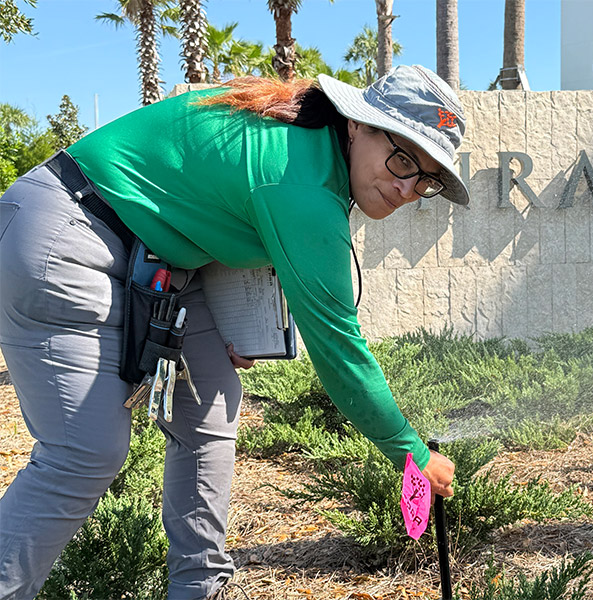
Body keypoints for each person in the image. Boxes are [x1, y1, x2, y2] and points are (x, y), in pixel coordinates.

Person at [0, 64, 469, 599]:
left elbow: (206, 203)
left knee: (212, 405)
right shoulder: (302, 183)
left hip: (157, 261)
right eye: (402, 158)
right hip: (69, 231)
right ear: (358, 125)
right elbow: (339, 350)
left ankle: (199, 590)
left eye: (426, 179)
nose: (407, 187)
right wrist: (411, 451)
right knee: (83, 453)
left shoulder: (311, 148)